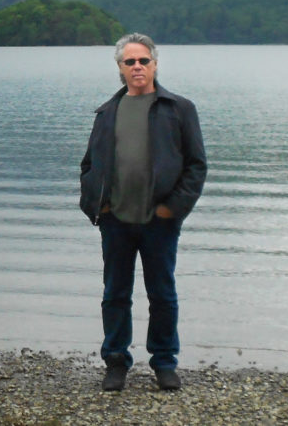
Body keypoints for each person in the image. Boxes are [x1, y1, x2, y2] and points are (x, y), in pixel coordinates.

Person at [79, 32, 207, 392]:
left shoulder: (179, 109)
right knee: (115, 294)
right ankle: (116, 362)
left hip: (159, 222)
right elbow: (90, 164)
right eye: (129, 62)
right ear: (120, 68)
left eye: (143, 60)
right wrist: (96, 204)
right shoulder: (107, 112)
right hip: (115, 221)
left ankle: (164, 363)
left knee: (162, 295)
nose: (137, 67)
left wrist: (172, 209)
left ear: (154, 64)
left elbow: (196, 166)